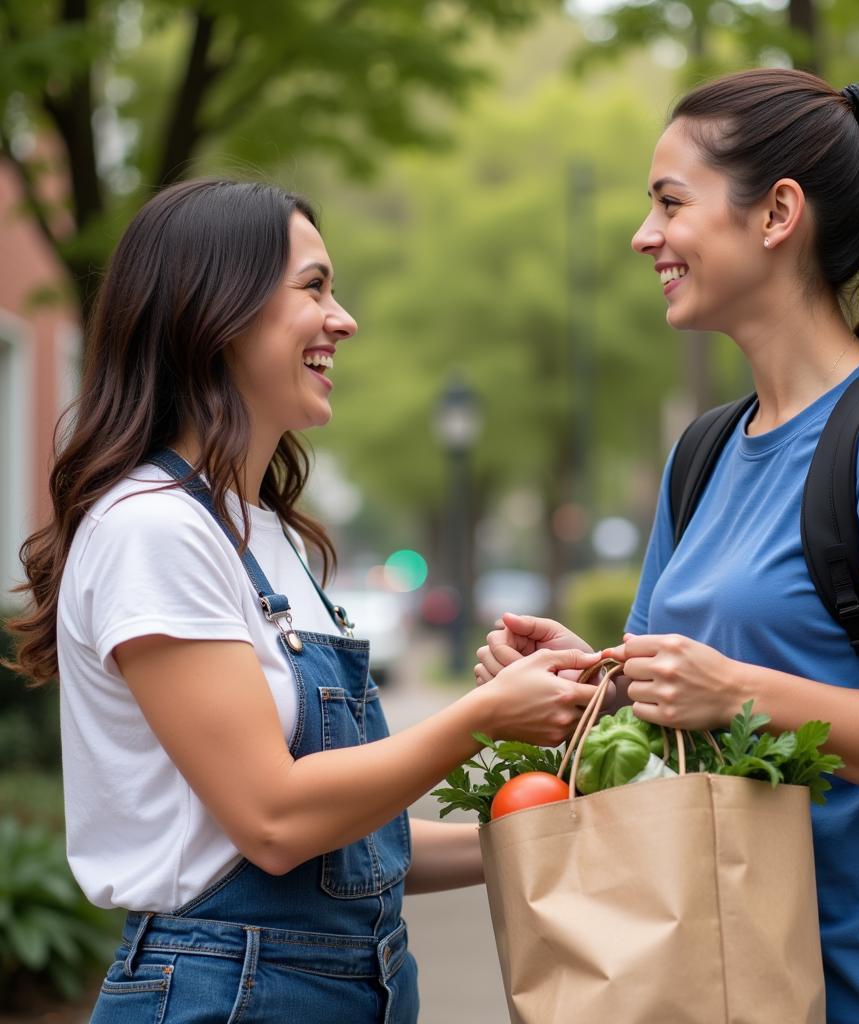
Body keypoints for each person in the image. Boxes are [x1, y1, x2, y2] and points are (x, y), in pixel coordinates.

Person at [476, 69, 859, 1023]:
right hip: (730, 979)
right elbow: (677, 715)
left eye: (670, 202)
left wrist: (737, 692)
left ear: (777, 214)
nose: (645, 235)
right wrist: (591, 680)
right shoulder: (705, 454)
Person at [6, 178, 603, 1023]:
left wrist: (558, 822)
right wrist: (483, 717)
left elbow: (358, 849)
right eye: (314, 287)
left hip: (353, 984)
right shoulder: (154, 530)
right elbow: (275, 820)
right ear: (215, 309)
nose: (344, 318)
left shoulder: (268, 534)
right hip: (226, 989)